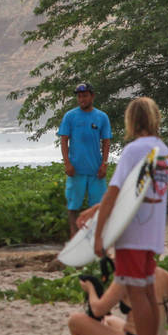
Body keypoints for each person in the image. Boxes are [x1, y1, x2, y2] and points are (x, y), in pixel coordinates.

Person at [77, 97, 168, 335]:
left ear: (131, 120)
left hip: (133, 234)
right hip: (153, 231)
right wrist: (95, 209)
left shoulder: (134, 150)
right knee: (148, 292)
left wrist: (98, 236)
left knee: (137, 293)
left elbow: (115, 192)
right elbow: (136, 192)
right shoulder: (161, 148)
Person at [58, 83, 112, 236]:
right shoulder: (70, 116)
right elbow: (64, 140)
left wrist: (104, 164)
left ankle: (97, 236)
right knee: (73, 206)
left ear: (92, 96)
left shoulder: (102, 117)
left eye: (85, 96)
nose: (81, 99)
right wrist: (67, 163)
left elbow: (106, 142)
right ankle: (74, 238)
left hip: (96, 171)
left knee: (99, 205)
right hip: (76, 170)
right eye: (79, 96)